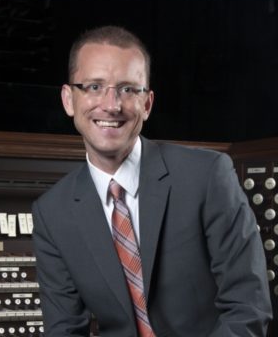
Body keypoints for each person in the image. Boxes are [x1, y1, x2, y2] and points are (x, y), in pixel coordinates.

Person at [32, 25, 271, 336]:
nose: (111, 104)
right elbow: (64, 329)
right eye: (93, 87)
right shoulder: (52, 213)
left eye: (128, 89)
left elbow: (247, 306)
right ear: (68, 99)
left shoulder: (207, 175)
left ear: (147, 103)